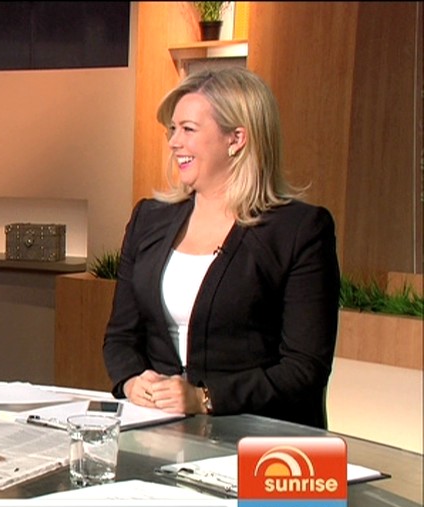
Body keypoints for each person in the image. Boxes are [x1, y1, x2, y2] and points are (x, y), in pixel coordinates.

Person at [103, 67, 340, 429]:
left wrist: (205, 398)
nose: (174, 142)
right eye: (173, 129)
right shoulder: (148, 219)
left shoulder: (299, 230)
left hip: (261, 439)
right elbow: (121, 336)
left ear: (236, 138)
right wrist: (132, 381)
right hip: (157, 430)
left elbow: (304, 368)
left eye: (188, 129)